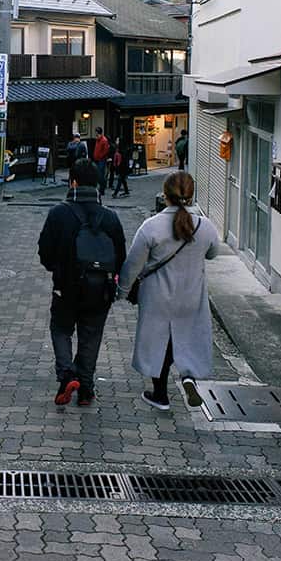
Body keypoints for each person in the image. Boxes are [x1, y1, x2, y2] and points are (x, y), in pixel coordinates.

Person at [119, 171, 220, 411]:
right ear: (191, 195)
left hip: (158, 297)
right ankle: (188, 377)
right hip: (191, 295)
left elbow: (132, 265)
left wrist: (122, 291)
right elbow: (213, 253)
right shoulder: (205, 226)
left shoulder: (151, 227)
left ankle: (160, 395)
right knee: (186, 337)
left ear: (165, 195)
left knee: (159, 343)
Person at [38, 158, 127, 407]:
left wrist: (58, 268)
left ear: (73, 182)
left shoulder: (58, 214)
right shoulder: (110, 218)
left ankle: (67, 374)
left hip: (66, 288)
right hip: (100, 289)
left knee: (61, 330)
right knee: (91, 336)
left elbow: (44, 253)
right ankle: (86, 389)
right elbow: (121, 256)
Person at [91, 127, 111, 196]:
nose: (95, 134)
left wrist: (100, 156)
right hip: (97, 159)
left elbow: (105, 151)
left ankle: (102, 189)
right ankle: (101, 188)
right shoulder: (98, 139)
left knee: (100, 175)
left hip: (101, 159)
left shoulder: (104, 140)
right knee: (98, 174)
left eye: (96, 132)